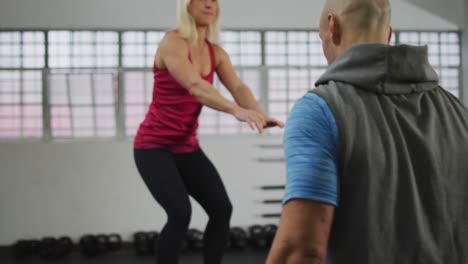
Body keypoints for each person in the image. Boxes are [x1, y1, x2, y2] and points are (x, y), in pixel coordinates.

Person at [266, 0, 468, 263]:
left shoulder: (319, 110)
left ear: (332, 27)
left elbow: (300, 251)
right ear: (388, 34)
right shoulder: (457, 111)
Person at [133, 0, 284, 263]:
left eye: (214, 0)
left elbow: (238, 87)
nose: (209, 4)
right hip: (153, 148)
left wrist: (258, 113)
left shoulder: (216, 52)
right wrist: (236, 111)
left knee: (221, 209)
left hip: (187, 148)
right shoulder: (173, 43)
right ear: (186, 6)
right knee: (180, 213)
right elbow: (194, 85)